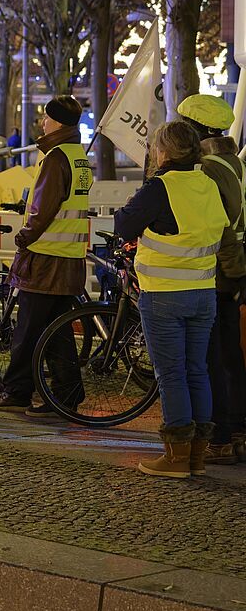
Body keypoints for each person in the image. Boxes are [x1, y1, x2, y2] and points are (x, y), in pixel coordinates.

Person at [114, 121, 230, 478]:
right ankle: (196, 457)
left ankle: (176, 457)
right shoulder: (206, 183)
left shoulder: (160, 186)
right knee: (197, 370)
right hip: (204, 293)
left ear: (163, 151)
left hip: (164, 294)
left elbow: (124, 225)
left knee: (171, 374)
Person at [0, 95, 93, 419]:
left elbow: (43, 209)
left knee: (28, 330)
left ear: (56, 121)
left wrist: (24, 237)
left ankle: (17, 391)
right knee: (57, 332)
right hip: (70, 256)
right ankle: (66, 395)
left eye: (46, 118)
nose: (42, 123)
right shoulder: (77, 156)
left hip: (46, 257)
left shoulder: (56, 157)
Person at [176, 95, 246, 465]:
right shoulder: (236, 163)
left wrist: (232, 271)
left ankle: (219, 436)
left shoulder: (205, 169)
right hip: (234, 271)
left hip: (215, 272)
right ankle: (237, 430)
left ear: (195, 129)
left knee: (211, 357)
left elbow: (217, 226)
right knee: (231, 354)